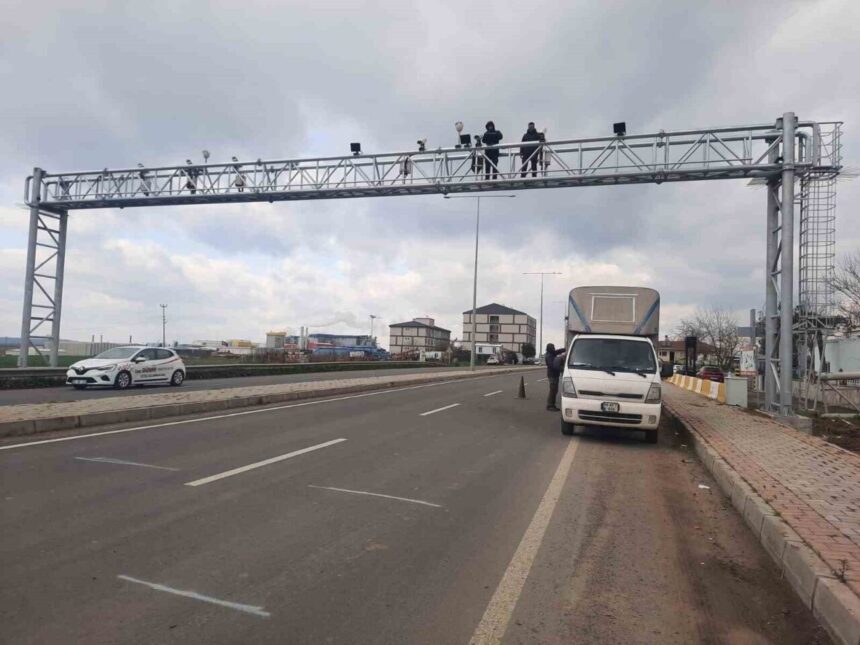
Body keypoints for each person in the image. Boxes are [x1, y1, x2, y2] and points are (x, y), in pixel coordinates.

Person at [545, 342, 566, 411]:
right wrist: (562, 368)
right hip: (552, 375)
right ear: (550, 348)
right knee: (553, 390)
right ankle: (550, 405)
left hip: (554, 375)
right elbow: (553, 366)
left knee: (554, 390)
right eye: (553, 347)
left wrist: (564, 349)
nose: (554, 348)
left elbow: (557, 351)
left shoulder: (551, 354)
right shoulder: (549, 356)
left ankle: (552, 404)